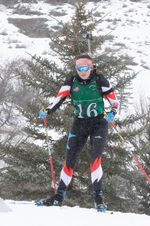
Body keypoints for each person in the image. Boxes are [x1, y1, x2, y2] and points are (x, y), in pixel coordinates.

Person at [36, 54, 120, 212]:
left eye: (85, 68)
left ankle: (99, 200)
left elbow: (115, 101)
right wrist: (47, 110)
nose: (82, 71)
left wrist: (112, 113)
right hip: (79, 124)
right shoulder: (71, 81)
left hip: (98, 124)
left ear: (91, 67)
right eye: (79, 68)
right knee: (70, 161)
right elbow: (59, 98)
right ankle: (59, 197)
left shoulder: (100, 80)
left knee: (95, 160)